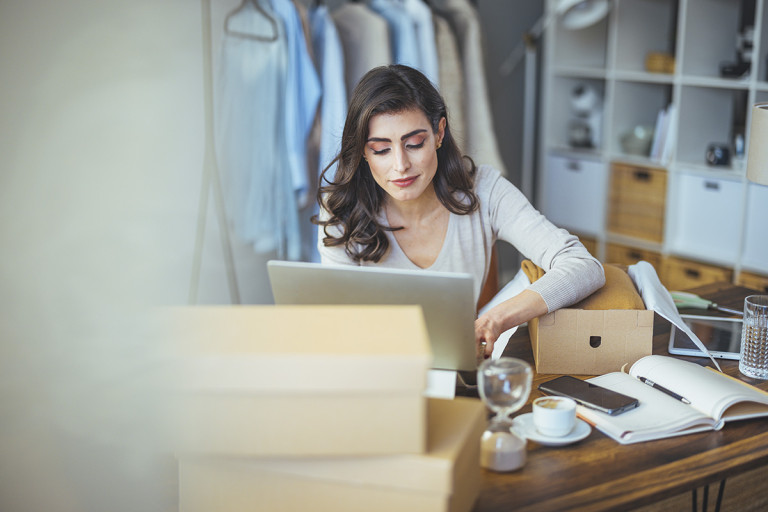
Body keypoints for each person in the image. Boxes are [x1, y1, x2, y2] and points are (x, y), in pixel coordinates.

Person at [312, 64, 605, 357]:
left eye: (414, 143)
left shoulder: (486, 191)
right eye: (381, 149)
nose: (400, 165)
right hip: (379, 369)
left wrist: (497, 318)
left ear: (439, 133)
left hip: (461, 373)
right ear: (363, 151)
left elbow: (583, 265)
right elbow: (342, 329)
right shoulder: (341, 212)